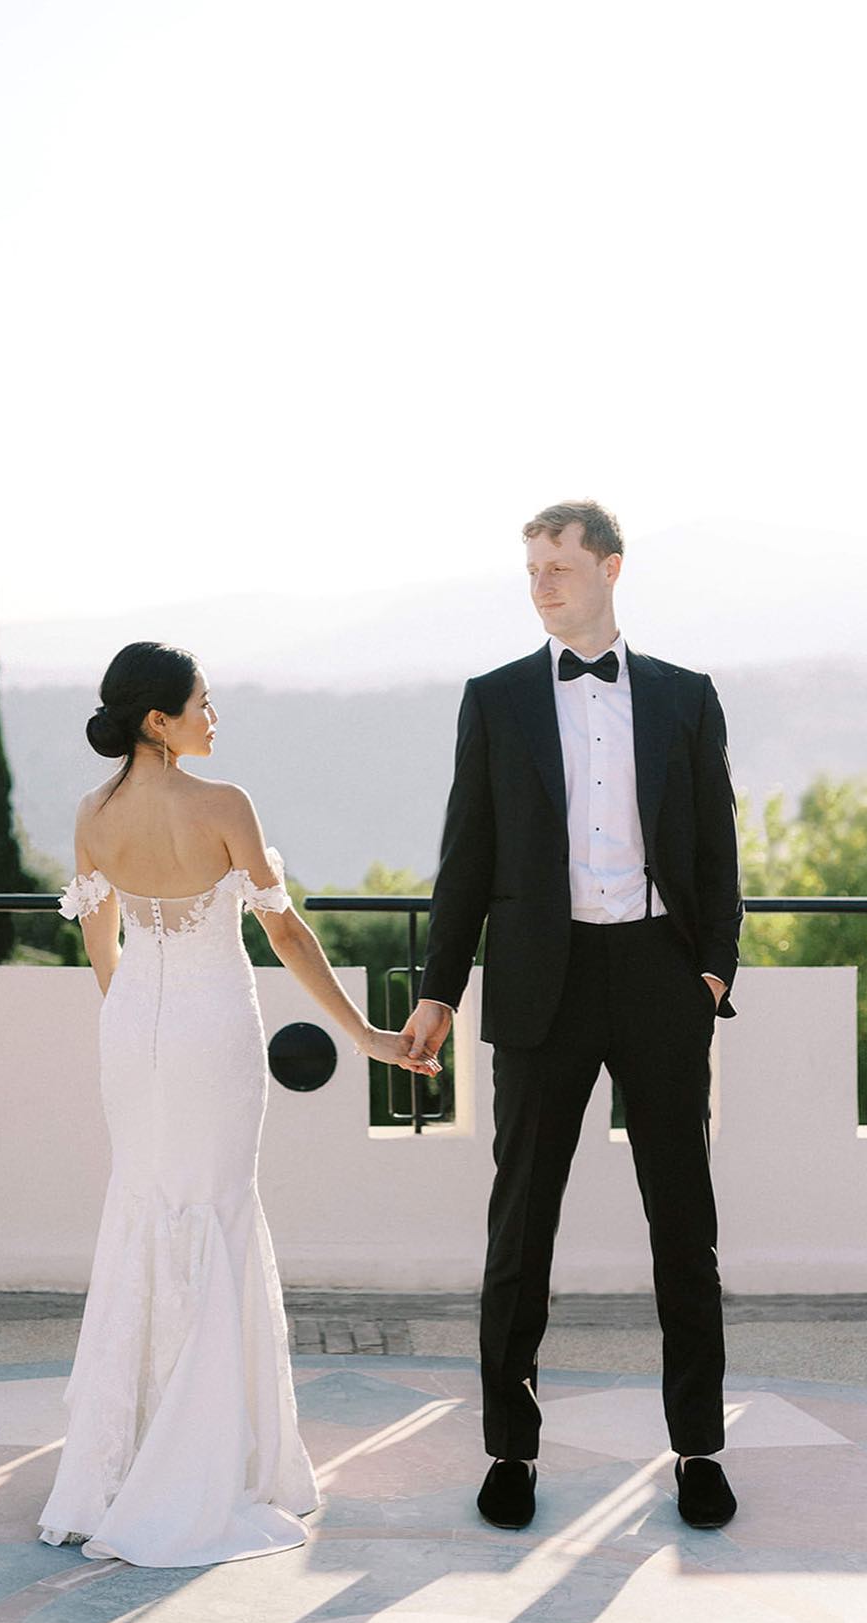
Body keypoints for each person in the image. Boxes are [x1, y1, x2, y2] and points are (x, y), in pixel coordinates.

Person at [38, 641, 437, 1567]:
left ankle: (123, 1455)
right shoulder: (225, 806)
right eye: (204, 704)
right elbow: (285, 933)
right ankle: (206, 1465)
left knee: (144, 1208)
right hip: (213, 1027)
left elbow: (102, 938)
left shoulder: (93, 813)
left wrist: (132, 1023)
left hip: (132, 1030)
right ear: (157, 720)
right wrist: (368, 1035)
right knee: (215, 1211)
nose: (215, 718)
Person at [402, 500, 743, 1532]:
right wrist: (437, 988)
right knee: (521, 1228)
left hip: (657, 976)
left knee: (683, 1226)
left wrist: (712, 972)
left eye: (559, 565)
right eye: (532, 567)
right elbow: (465, 857)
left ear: (610, 568)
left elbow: (717, 845)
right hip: (539, 984)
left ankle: (697, 1448)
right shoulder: (495, 698)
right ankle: (510, 1447)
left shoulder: (686, 696)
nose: (542, 582)